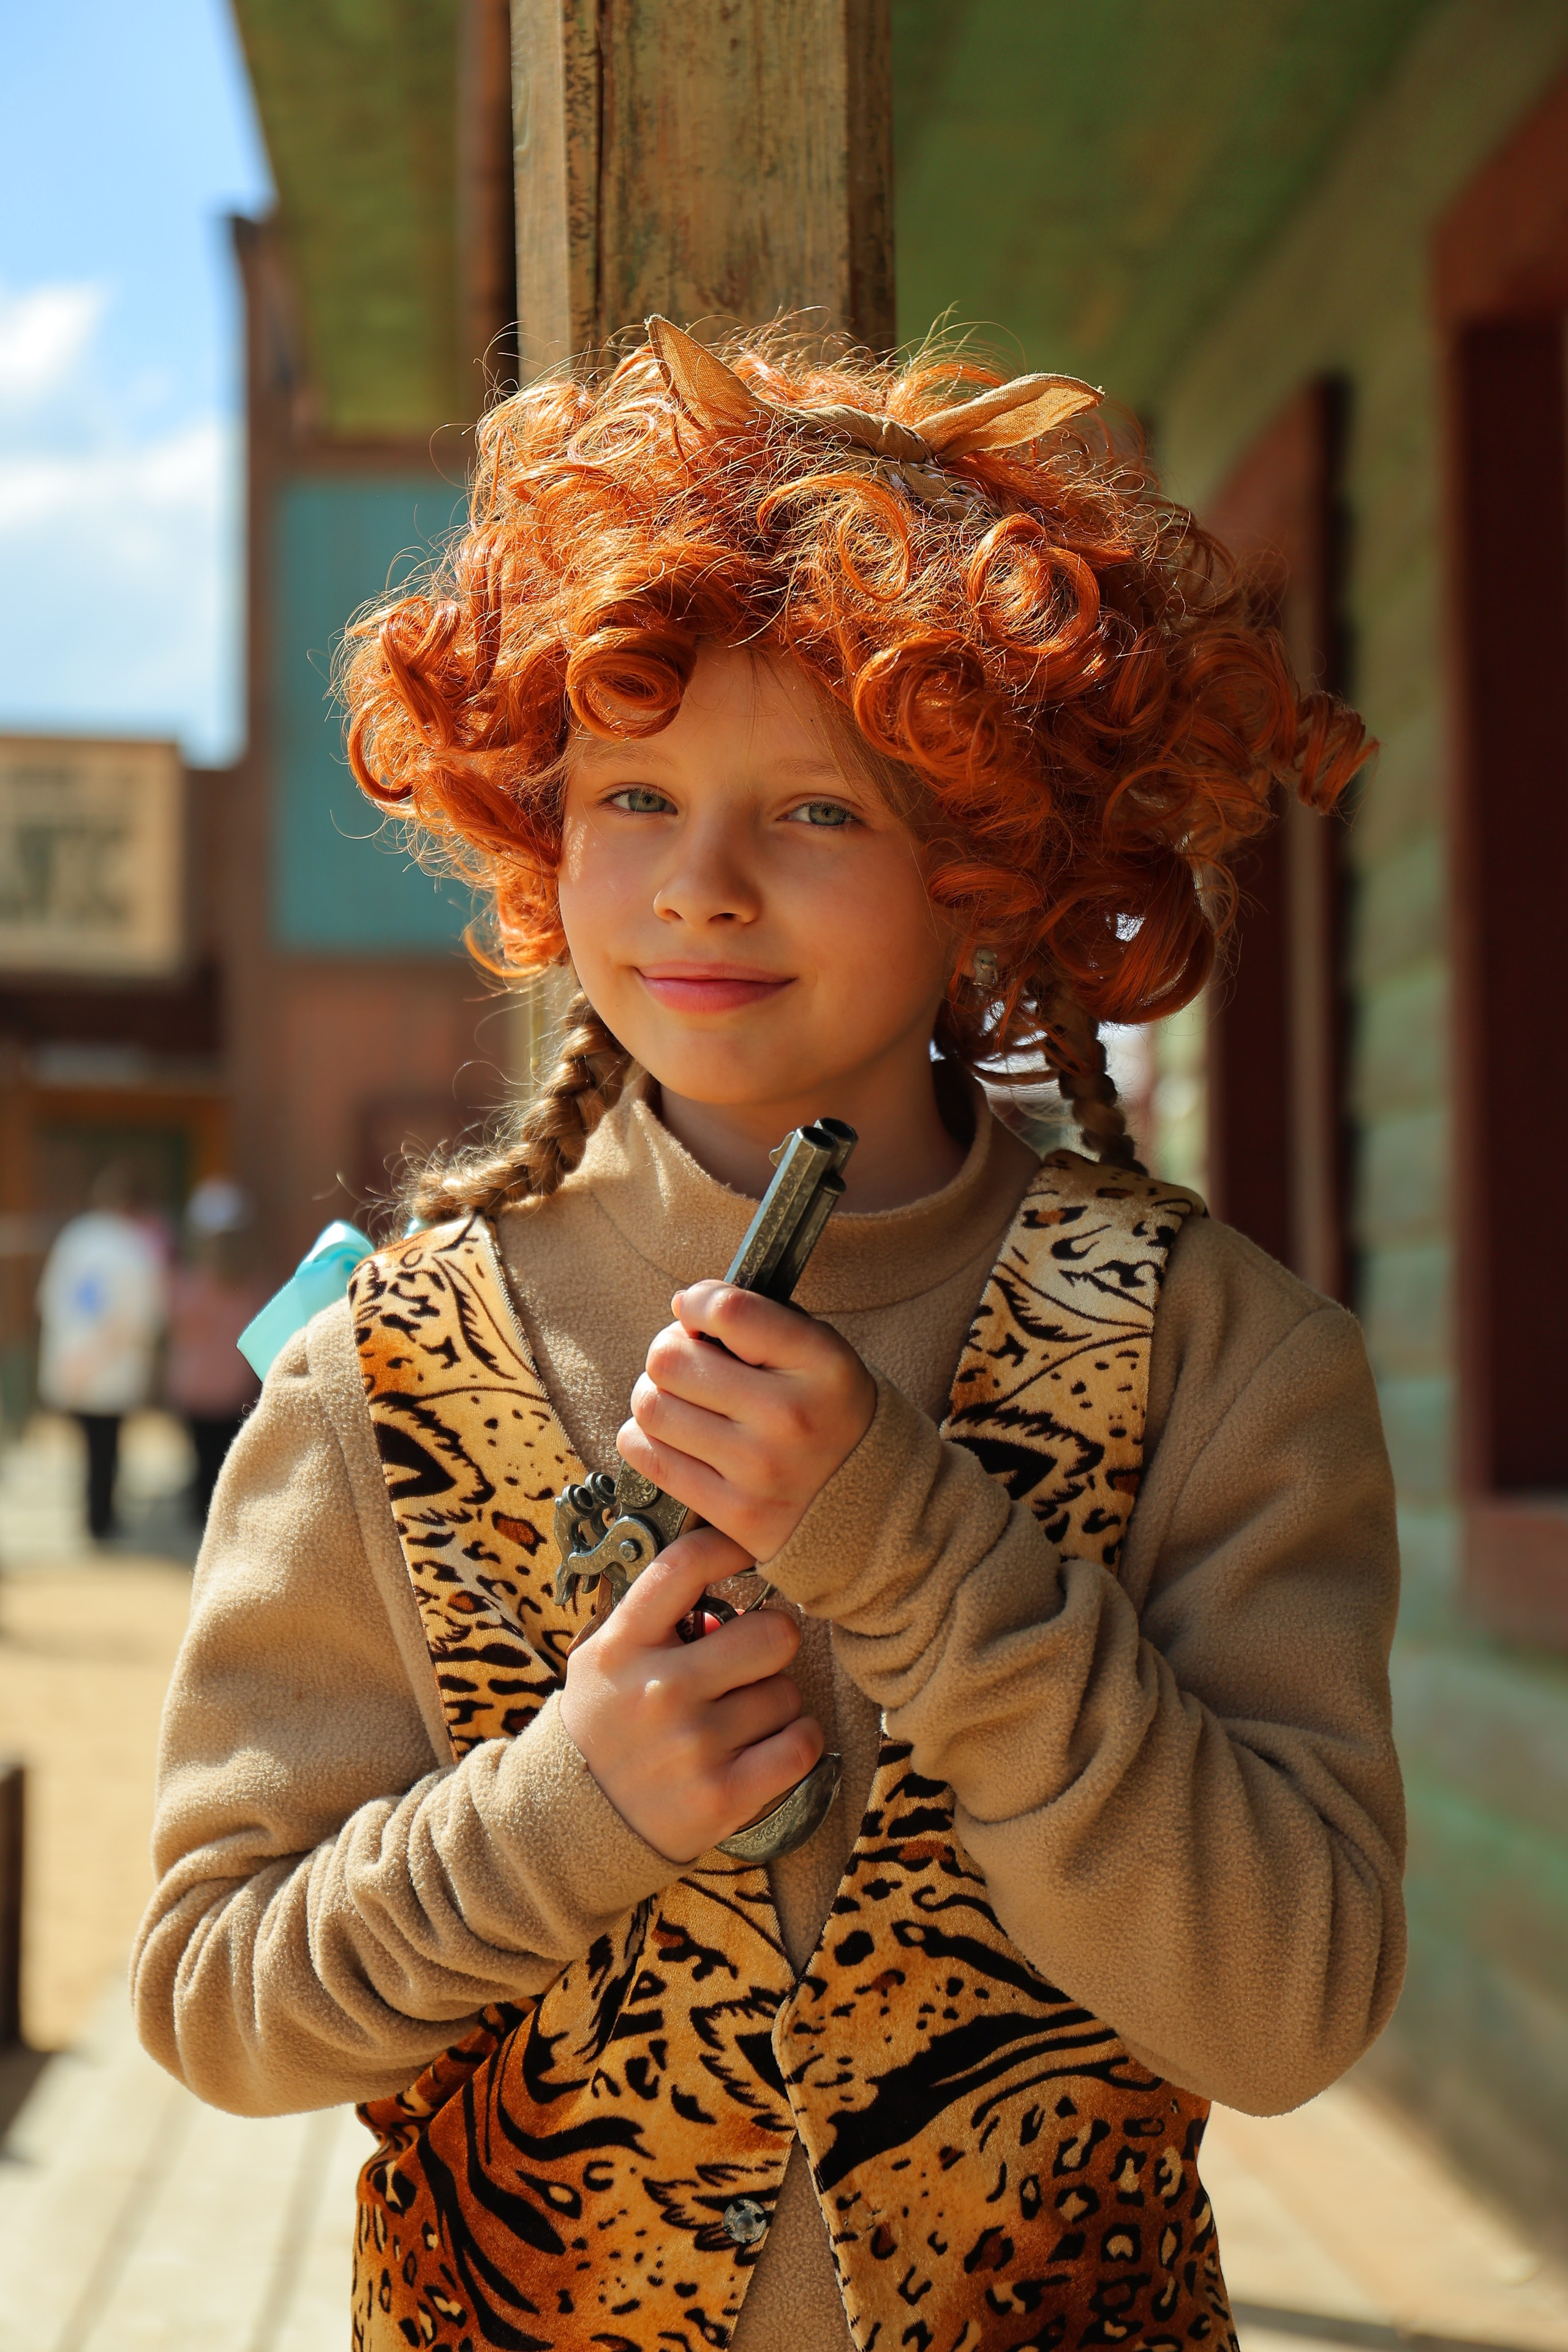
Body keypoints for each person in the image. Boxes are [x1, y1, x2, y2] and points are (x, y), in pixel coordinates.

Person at [132, 321, 1404, 2352]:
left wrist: (916, 1549)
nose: (702, 888)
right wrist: (564, 1813)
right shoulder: (372, 1375)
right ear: (544, 834)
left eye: (815, 811)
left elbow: (1291, 2008)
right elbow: (217, 2001)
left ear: (986, 860)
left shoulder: (1226, 1364)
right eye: (635, 793)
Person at [36, 1161, 168, 1544]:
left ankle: (92, 1515)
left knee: (87, 1446)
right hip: (114, 1366)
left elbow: (50, 1299)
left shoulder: (75, 1237)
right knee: (107, 1444)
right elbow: (146, 1316)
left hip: (73, 1361)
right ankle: (102, 1518)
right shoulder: (135, 1247)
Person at [164, 1178, 265, 1523]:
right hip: (234, 1388)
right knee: (224, 1461)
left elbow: (177, 1326)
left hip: (196, 1388)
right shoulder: (253, 1283)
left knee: (203, 1462)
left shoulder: (190, 1281)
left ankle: (204, 1520)